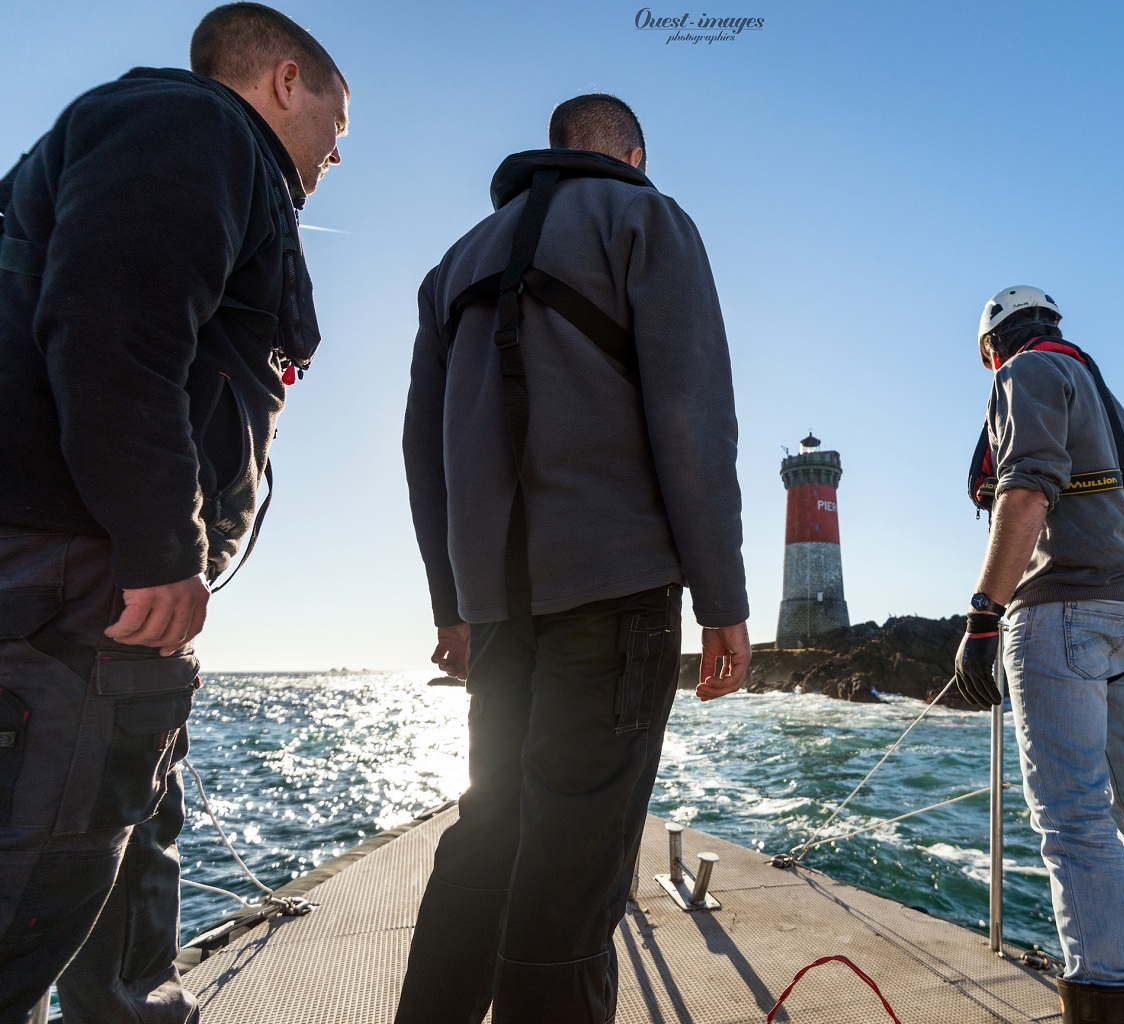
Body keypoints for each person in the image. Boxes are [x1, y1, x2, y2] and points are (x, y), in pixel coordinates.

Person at [0, 4, 348, 1021]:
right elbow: (112, 321)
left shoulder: (190, 152)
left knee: (131, 830)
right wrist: (162, 545)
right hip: (81, 571)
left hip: (108, 591)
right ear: (287, 80)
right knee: (33, 886)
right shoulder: (189, 127)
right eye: (339, 118)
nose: (339, 148)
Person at [399, 93, 751, 1023]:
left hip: (498, 611)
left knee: (489, 836)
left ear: (550, 149)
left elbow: (421, 451)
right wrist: (722, 599)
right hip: (618, 593)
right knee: (574, 869)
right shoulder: (645, 216)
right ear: (633, 154)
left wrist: (453, 606)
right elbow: (693, 421)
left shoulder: (454, 264)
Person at [952, 286, 1124, 1024]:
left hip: (1061, 607)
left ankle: (1108, 1005)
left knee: (1072, 819)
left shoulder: (1026, 372)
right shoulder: (1099, 389)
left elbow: (1026, 489)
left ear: (990, 347)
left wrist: (983, 615)